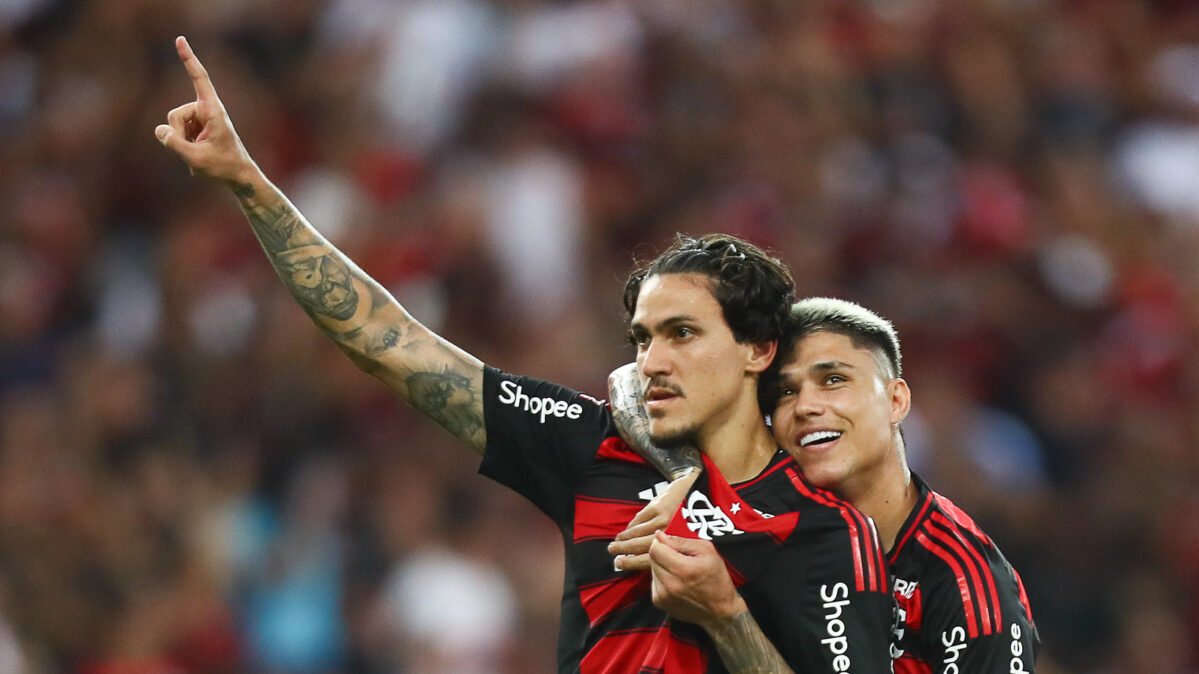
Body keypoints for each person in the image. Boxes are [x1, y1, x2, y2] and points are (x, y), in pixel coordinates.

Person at [154, 36, 893, 673]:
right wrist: (249, 184)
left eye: (682, 334)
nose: (653, 360)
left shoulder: (826, 529)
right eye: (642, 337)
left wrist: (725, 615)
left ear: (758, 350)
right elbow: (390, 343)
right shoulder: (591, 446)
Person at [610, 296, 1041, 672]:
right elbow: (629, 381)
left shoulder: (965, 586)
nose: (806, 407)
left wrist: (725, 617)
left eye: (833, 380)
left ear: (896, 400)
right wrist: (687, 475)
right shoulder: (761, 498)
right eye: (784, 392)